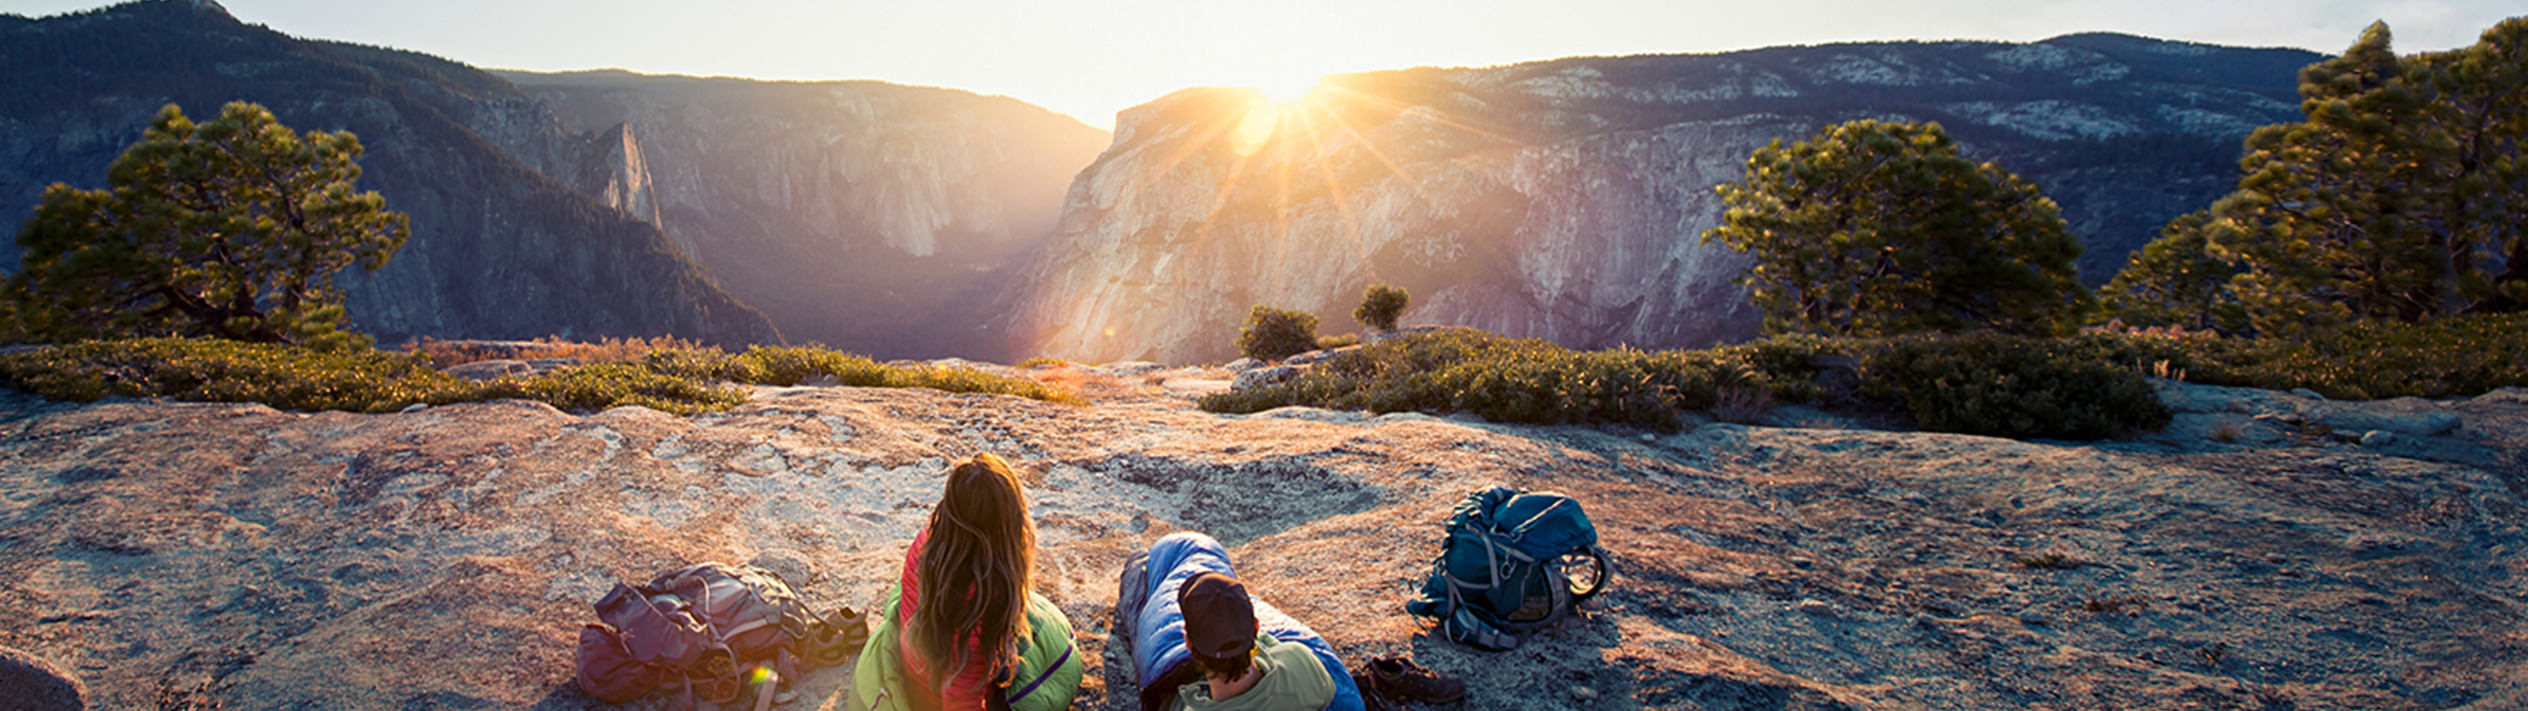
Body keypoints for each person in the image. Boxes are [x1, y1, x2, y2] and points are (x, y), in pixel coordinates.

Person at [852, 453, 1083, 711]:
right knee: (1054, 665)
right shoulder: (981, 604)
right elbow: (961, 697)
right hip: (938, 697)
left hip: (917, 667)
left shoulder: (927, 542)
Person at [1114, 532, 1366, 711]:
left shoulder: (1187, 705)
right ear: (1256, 626)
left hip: (1174, 571)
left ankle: (1143, 564)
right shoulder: (1300, 662)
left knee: (1154, 571)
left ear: (1188, 643)